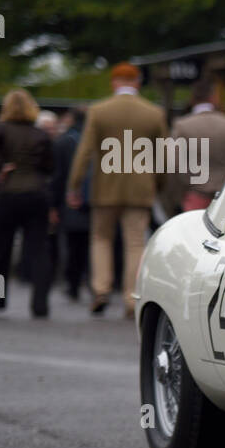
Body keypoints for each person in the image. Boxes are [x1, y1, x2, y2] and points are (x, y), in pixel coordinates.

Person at [67, 62, 168, 318]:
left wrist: (75, 184)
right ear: (137, 82)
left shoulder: (99, 111)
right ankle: (131, 299)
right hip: (140, 189)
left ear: (114, 83)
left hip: (105, 188)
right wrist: (159, 184)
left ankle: (101, 289)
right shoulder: (154, 113)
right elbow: (165, 154)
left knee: (101, 239)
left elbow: (85, 151)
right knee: (135, 242)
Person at [0, 89, 56, 317]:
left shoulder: (0, 130)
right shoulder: (40, 134)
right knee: (39, 250)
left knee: (1, 249)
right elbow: (50, 167)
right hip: (36, 194)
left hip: (7, 195)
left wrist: (3, 164)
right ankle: (39, 304)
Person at [167, 77, 225, 214]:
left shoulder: (182, 126)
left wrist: (178, 196)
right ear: (213, 98)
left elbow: (174, 165)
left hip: (195, 195)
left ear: (192, 98)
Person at [51, 107, 90, 300]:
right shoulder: (99, 139)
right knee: (96, 244)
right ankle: (97, 285)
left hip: (71, 201)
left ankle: (73, 284)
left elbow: (57, 177)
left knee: (72, 245)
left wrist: (54, 205)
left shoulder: (64, 142)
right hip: (96, 201)